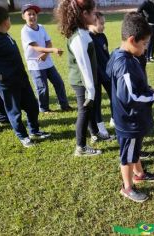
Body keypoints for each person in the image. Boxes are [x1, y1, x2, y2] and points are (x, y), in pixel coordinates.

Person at [106, 12, 154, 203]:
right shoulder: (125, 64)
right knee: (127, 155)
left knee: (134, 149)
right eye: (144, 43)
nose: (146, 48)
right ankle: (127, 187)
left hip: (132, 119)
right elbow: (130, 96)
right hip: (129, 121)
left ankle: (139, 173)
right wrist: (152, 95)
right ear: (132, 39)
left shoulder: (118, 54)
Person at [0, 5, 50, 147]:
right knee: (14, 112)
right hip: (7, 83)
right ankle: (23, 137)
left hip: (21, 79)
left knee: (32, 106)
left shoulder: (3, 33)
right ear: (6, 21)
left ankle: (34, 131)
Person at [57, 0, 102, 156]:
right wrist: (90, 90)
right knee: (84, 112)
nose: (95, 15)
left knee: (88, 110)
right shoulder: (78, 37)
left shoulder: (83, 33)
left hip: (87, 82)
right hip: (82, 82)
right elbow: (83, 66)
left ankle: (94, 134)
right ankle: (80, 147)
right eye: (93, 12)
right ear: (84, 14)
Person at [21, 4, 72, 113]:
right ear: (23, 16)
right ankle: (44, 108)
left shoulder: (41, 27)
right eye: (29, 14)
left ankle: (64, 105)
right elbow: (35, 47)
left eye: (34, 14)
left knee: (59, 83)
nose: (32, 16)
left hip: (47, 62)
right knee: (42, 88)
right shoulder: (25, 31)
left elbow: (48, 42)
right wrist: (53, 50)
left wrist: (45, 54)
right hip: (36, 65)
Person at [88, 11, 115, 140]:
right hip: (95, 78)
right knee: (97, 103)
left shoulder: (102, 36)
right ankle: (101, 128)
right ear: (92, 22)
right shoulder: (87, 39)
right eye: (101, 23)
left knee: (115, 97)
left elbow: (106, 55)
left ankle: (114, 118)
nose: (104, 26)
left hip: (107, 74)